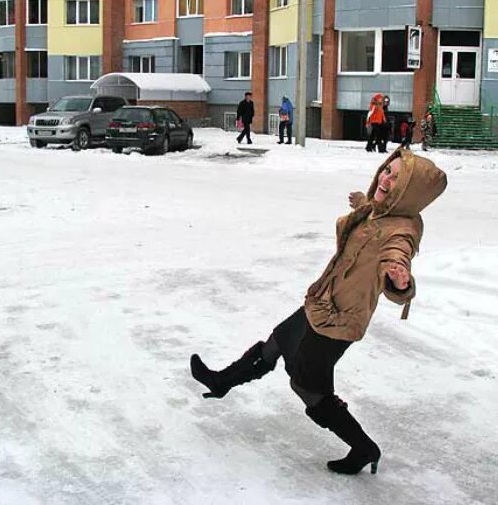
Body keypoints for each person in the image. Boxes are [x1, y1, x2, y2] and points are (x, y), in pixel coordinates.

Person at [190, 148, 447, 475]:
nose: (386, 178)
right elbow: (372, 221)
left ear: (410, 192)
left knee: (307, 387)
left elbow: (397, 252)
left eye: (396, 178)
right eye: (386, 170)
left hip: (339, 321)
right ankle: (220, 381)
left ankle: (364, 447)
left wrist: (398, 275)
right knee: (276, 342)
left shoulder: (402, 230)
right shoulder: (381, 211)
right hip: (323, 302)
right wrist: (363, 203)